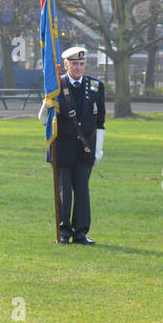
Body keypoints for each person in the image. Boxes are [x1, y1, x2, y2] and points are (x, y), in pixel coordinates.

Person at [38, 45, 106, 243]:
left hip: (86, 147)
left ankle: (81, 232)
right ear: (65, 64)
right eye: (74, 63)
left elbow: (100, 121)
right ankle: (64, 230)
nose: (78, 67)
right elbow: (43, 120)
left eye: (81, 64)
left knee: (82, 190)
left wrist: (99, 150)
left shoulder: (95, 86)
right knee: (63, 191)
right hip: (62, 147)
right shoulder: (56, 86)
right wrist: (45, 105)